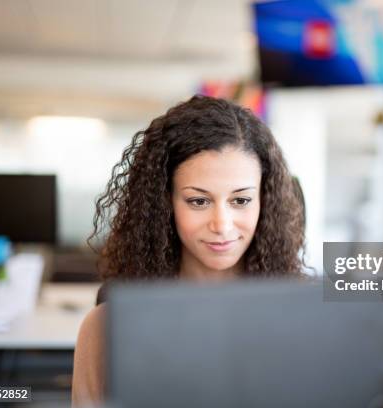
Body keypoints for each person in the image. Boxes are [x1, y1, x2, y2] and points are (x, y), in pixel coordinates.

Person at [72, 95, 307, 405]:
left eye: (241, 200)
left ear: (264, 201)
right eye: (198, 201)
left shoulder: (304, 320)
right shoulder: (105, 327)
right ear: (164, 203)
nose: (222, 225)